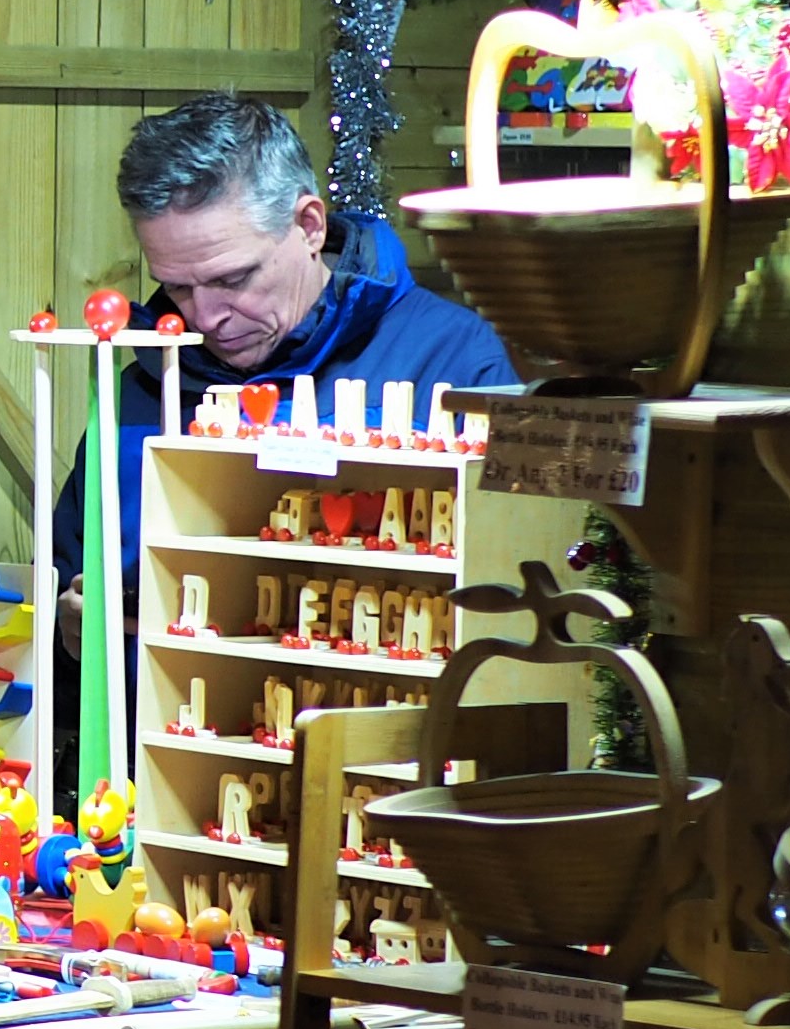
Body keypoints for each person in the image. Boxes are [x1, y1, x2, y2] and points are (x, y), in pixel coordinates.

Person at [62, 94, 517, 637]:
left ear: (309, 226)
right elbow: (71, 578)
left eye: (233, 279)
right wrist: (72, 635)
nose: (205, 317)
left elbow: (514, 587)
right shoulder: (142, 389)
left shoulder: (457, 363)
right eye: (178, 286)